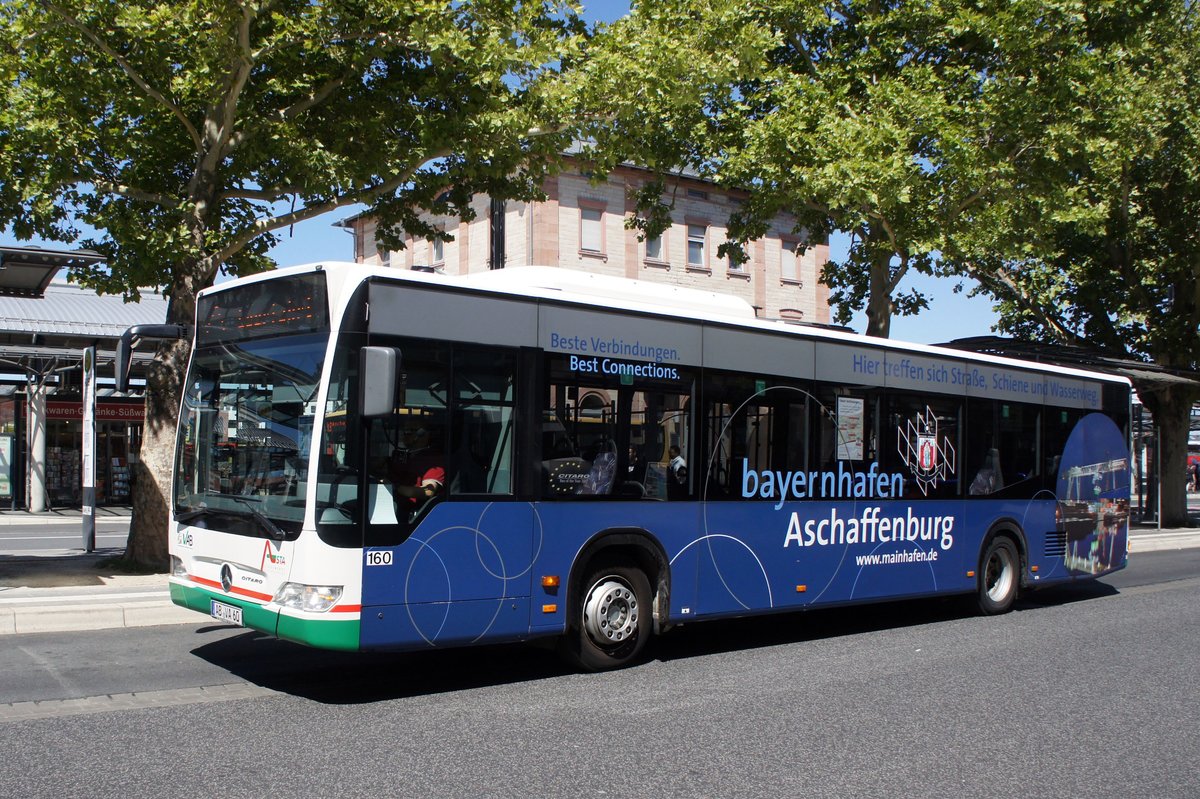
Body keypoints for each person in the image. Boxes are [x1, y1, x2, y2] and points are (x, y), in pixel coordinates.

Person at [390, 420, 444, 513]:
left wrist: (395, 488)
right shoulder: (406, 456)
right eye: (404, 431)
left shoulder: (432, 460)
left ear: (422, 434)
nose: (404, 435)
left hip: (414, 513)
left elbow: (428, 491)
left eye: (409, 431)